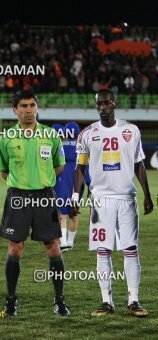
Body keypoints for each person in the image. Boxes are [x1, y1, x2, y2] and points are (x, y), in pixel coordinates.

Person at [72, 88, 153, 317]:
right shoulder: (87, 133)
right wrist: (75, 196)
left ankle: (134, 300)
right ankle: (106, 301)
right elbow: (80, 168)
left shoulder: (131, 130)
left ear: (114, 103)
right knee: (103, 251)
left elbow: (139, 164)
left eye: (106, 103)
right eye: (99, 103)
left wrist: (146, 194)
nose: (102, 107)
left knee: (131, 249)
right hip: (100, 201)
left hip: (127, 198)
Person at [0, 90, 69, 317]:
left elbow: (59, 167)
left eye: (32, 105)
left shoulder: (51, 135)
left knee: (53, 247)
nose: (29, 110)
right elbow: (4, 171)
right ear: (15, 110)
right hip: (18, 196)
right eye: (24, 106)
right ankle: (10, 300)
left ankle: (59, 301)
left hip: (45, 196)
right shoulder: (6, 138)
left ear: (37, 108)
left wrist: (40, 181)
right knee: (15, 248)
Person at [54, 122, 84, 251]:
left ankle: (64, 242)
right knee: (74, 213)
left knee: (62, 214)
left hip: (62, 180)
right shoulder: (82, 147)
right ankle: (69, 242)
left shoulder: (59, 146)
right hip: (77, 182)